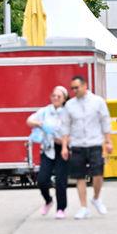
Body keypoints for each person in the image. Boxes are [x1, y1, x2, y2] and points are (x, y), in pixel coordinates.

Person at [61, 76, 112, 220]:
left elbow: (105, 122)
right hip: (77, 144)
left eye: (77, 88)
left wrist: (108, 141)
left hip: (94, 143)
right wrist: (64, 147)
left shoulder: (98, 102)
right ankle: (83, 207)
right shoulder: (70, 105)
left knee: (98, 173)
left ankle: (96, 197)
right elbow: (65, 127)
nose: (74, 91)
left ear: (85, 86)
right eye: (72, 88)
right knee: (79, 176)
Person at [27, 86, 69, 219]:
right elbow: (29, 121)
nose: (55, 98)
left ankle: (61, 208)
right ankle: (48, 200)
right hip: (47, 148)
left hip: (62, 148)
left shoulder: (68, 113)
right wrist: (39, 124)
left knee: (61, 181)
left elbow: (70, 132)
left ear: (64, 99)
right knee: (42, 180)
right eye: (54, 95)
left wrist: (64, 145)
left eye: (59, 96)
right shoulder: (45, 111)